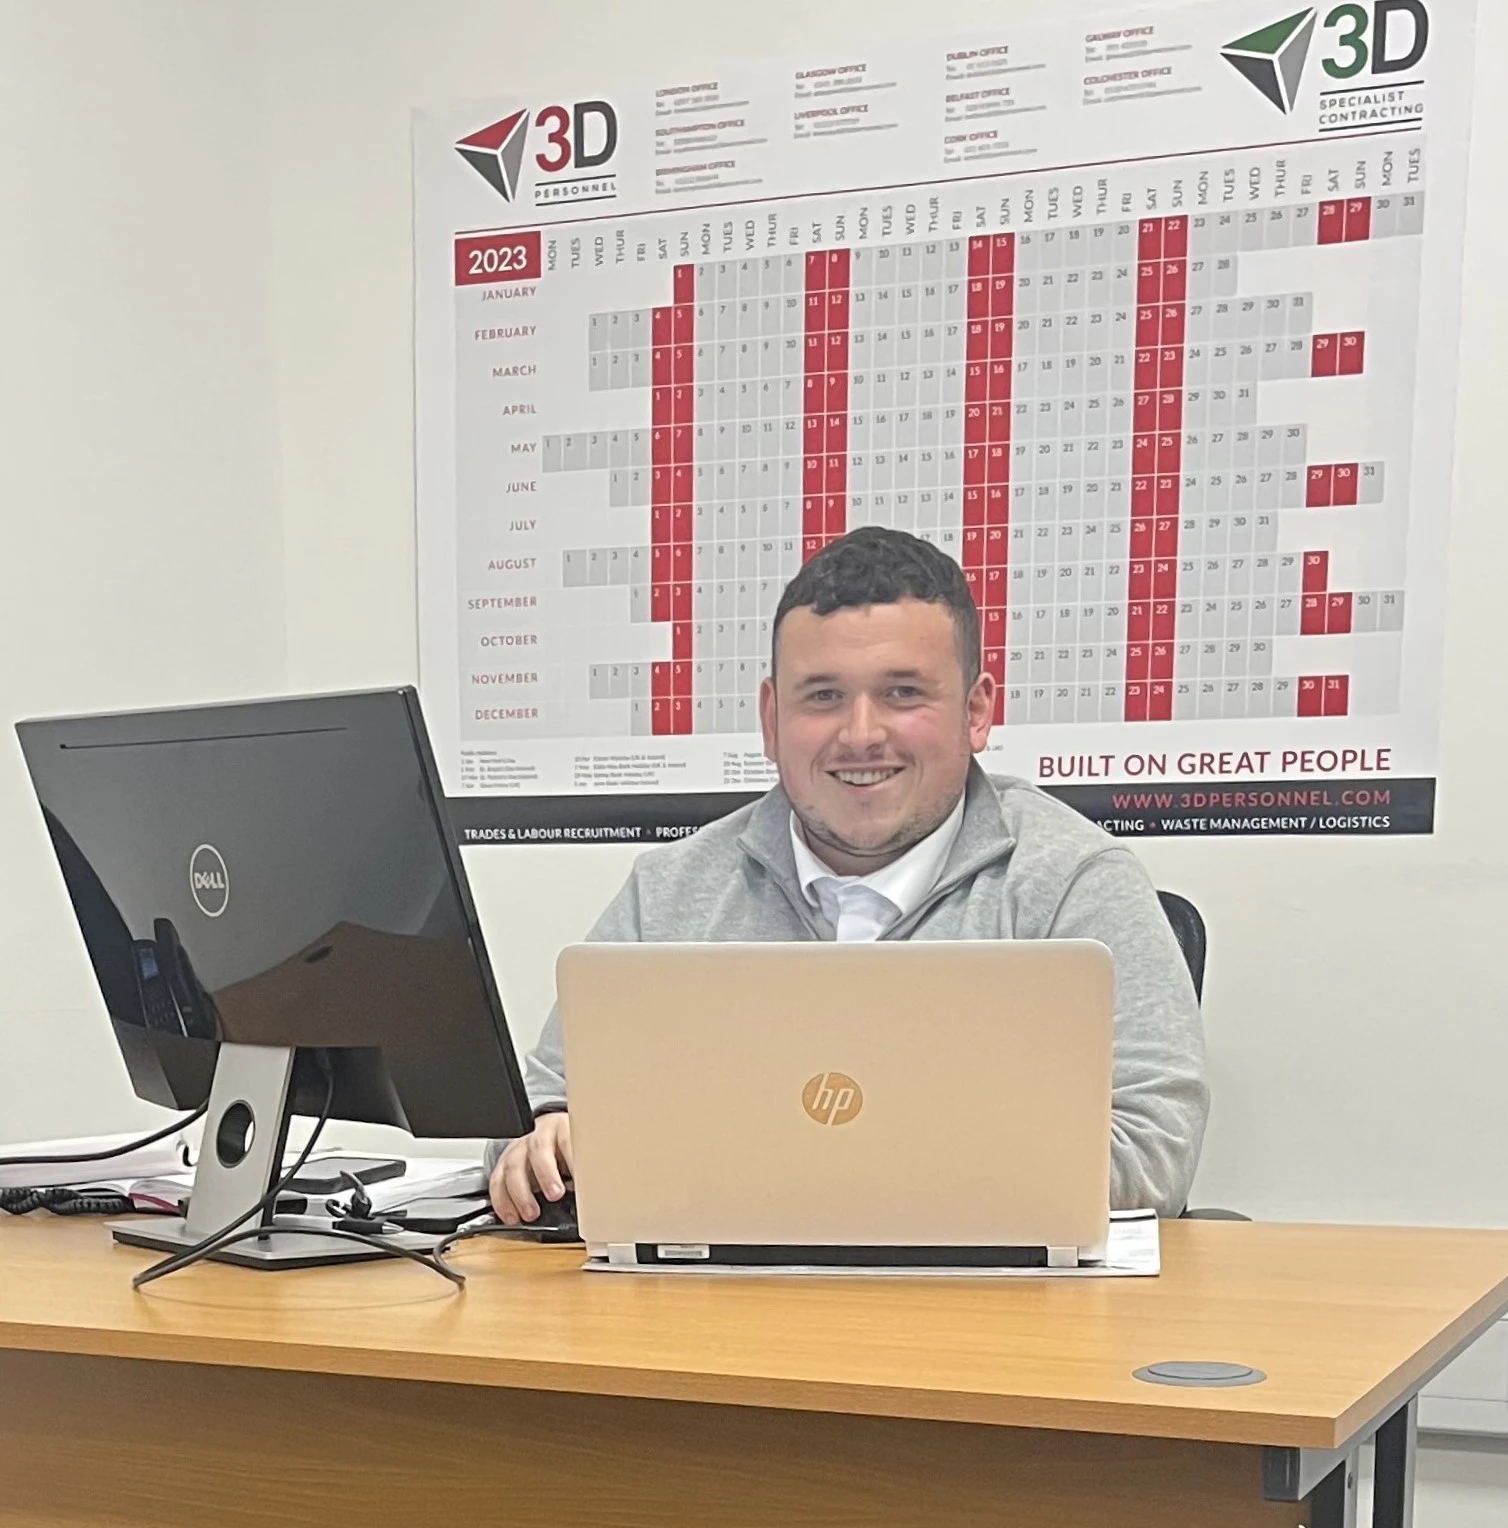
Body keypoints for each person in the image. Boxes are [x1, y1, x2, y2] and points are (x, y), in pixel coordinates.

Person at [487, 526, 1208, 1224]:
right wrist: (546, 1142)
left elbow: (1152, 1157)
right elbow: (525, 1121)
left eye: (902, 693)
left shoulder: (1075, 881)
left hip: (990, 1322)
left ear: (976, 712)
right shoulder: (670, 892)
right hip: (713, 1317)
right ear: (771, 719)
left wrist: (794, 1175)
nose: (861, 734)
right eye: (823, 696)